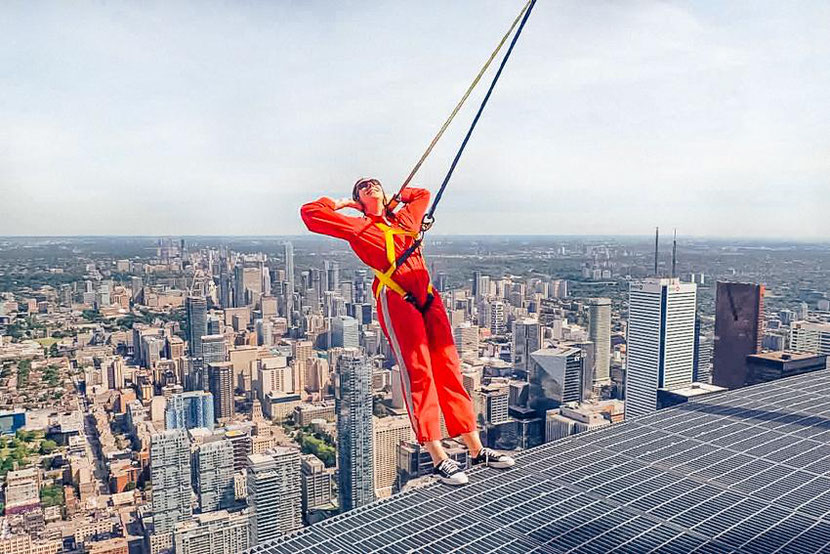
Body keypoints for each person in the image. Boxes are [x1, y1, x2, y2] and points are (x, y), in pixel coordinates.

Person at [300, 177, 515, 485]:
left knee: (449, 369)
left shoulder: (405, 219)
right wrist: (340, 204)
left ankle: (476, 449)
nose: (370, 186)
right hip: (397, 298)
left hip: (428, 296)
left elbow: (423, 194)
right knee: (420, 373)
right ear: (358, 199)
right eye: (362, 187)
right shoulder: (358, 227)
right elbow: (311, 214)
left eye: (375, 183)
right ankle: (438, 456)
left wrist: (398, 197)